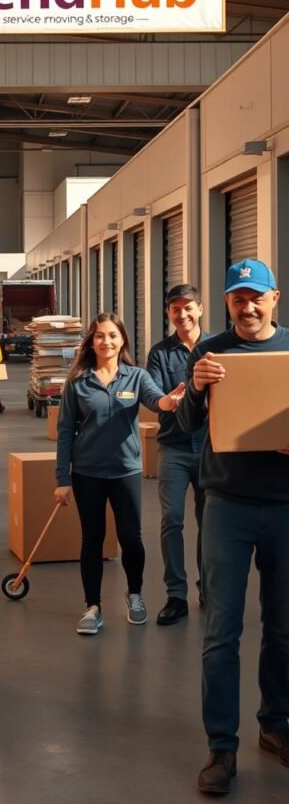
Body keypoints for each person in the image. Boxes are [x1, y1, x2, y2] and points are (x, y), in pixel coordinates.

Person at [178, 259, 289, 796]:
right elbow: (185, 427)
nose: (247, 307)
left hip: (285, 504)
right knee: (222, 631)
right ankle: (222, 746)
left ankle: (276, 725)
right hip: (225, 504)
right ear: (227, 303)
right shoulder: (209, 352)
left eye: (256, 297)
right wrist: (197, 389)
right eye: (237, 298)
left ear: (275, 298)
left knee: (284, 626)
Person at [54, 312, 184, 635]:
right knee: (92, 539)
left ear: (122, 339)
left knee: (130, 537)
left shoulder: (136, 377)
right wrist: (62, 479)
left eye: (112, 335)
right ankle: (92, 607)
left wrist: (169, 402)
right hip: (87, 473)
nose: (106, 341)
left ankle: (135, 594)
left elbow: (156, 399)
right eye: (100, 336)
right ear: (92, 341)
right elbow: (65, 430)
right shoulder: (78, 382)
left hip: (126, 471)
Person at [146, 284, 210, 625]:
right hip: (173, 446)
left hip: (211, 448)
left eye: (188, 308)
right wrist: (168, 399)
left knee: (209, 521)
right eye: (175, 309)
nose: (182, 315)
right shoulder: (160, 353)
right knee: (172, 520)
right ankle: (176, 595)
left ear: (200, 308)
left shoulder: (217, 348)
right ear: (168, 313)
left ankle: (207, 590)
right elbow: (158, 396)